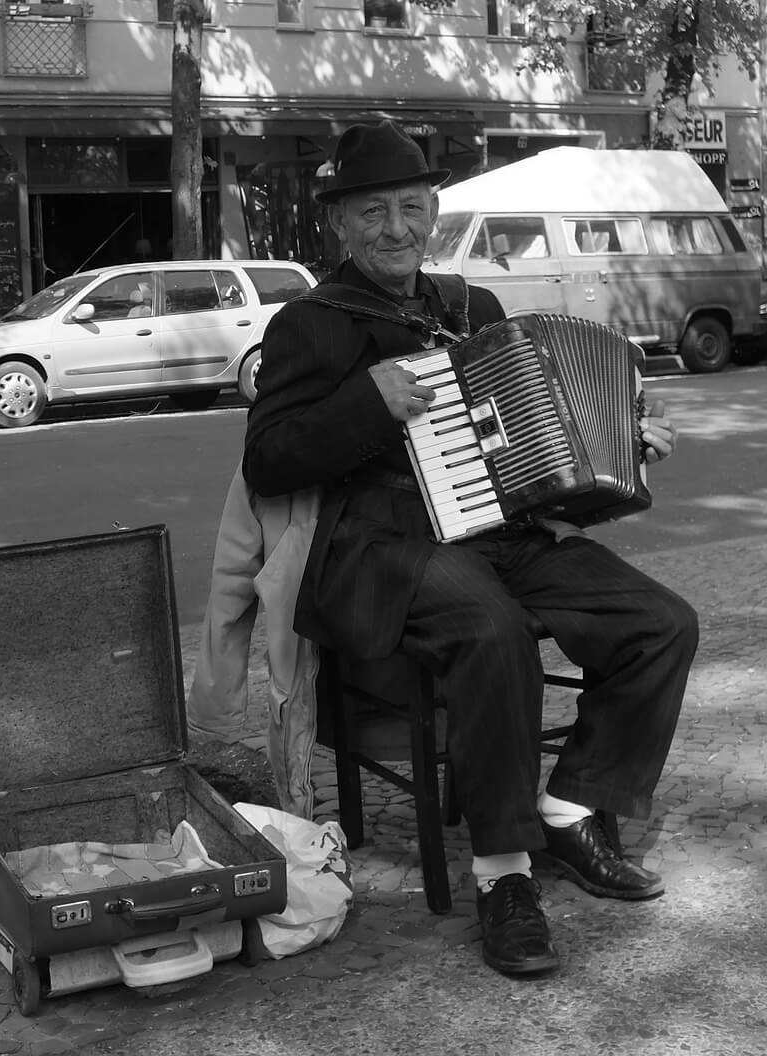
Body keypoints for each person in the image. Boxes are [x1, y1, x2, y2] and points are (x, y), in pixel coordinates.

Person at [240, 120, 698, 978]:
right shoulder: (311, 325)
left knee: (661, 621)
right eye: (372, 212)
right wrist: (368, 405)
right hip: (379, 548)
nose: (395, 228)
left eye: (411, 207)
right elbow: (268, 461)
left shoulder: (469, 307)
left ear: (434, 210)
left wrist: (625, 445)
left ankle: (566, 811)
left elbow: (528, 441)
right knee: (491, 629)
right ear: (338, 223)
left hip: (495, 531)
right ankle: (503, 875)